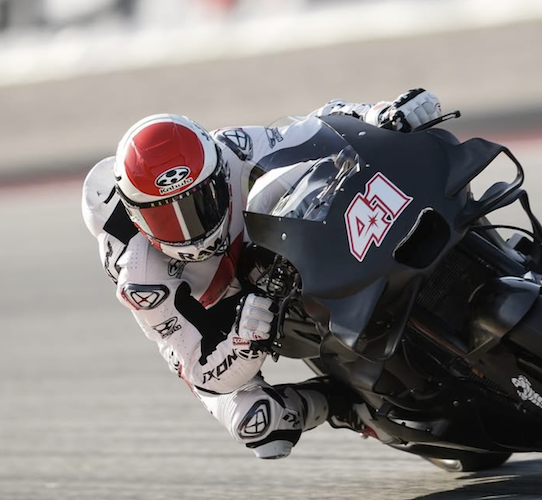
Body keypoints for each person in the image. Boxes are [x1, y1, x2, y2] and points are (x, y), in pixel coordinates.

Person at [81, 89, 442, 459]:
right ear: (138, 219)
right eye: (164, 218)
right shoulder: (143, 278)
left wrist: (378, 114)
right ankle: (344, 406)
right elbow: (201, 371)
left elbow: (316, 127)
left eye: (197, 203)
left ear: (217, 172)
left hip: (270, 250)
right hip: (215, 314)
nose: (189, 230)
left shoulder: (230, 148)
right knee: (259, 423)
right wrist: (243, 340)